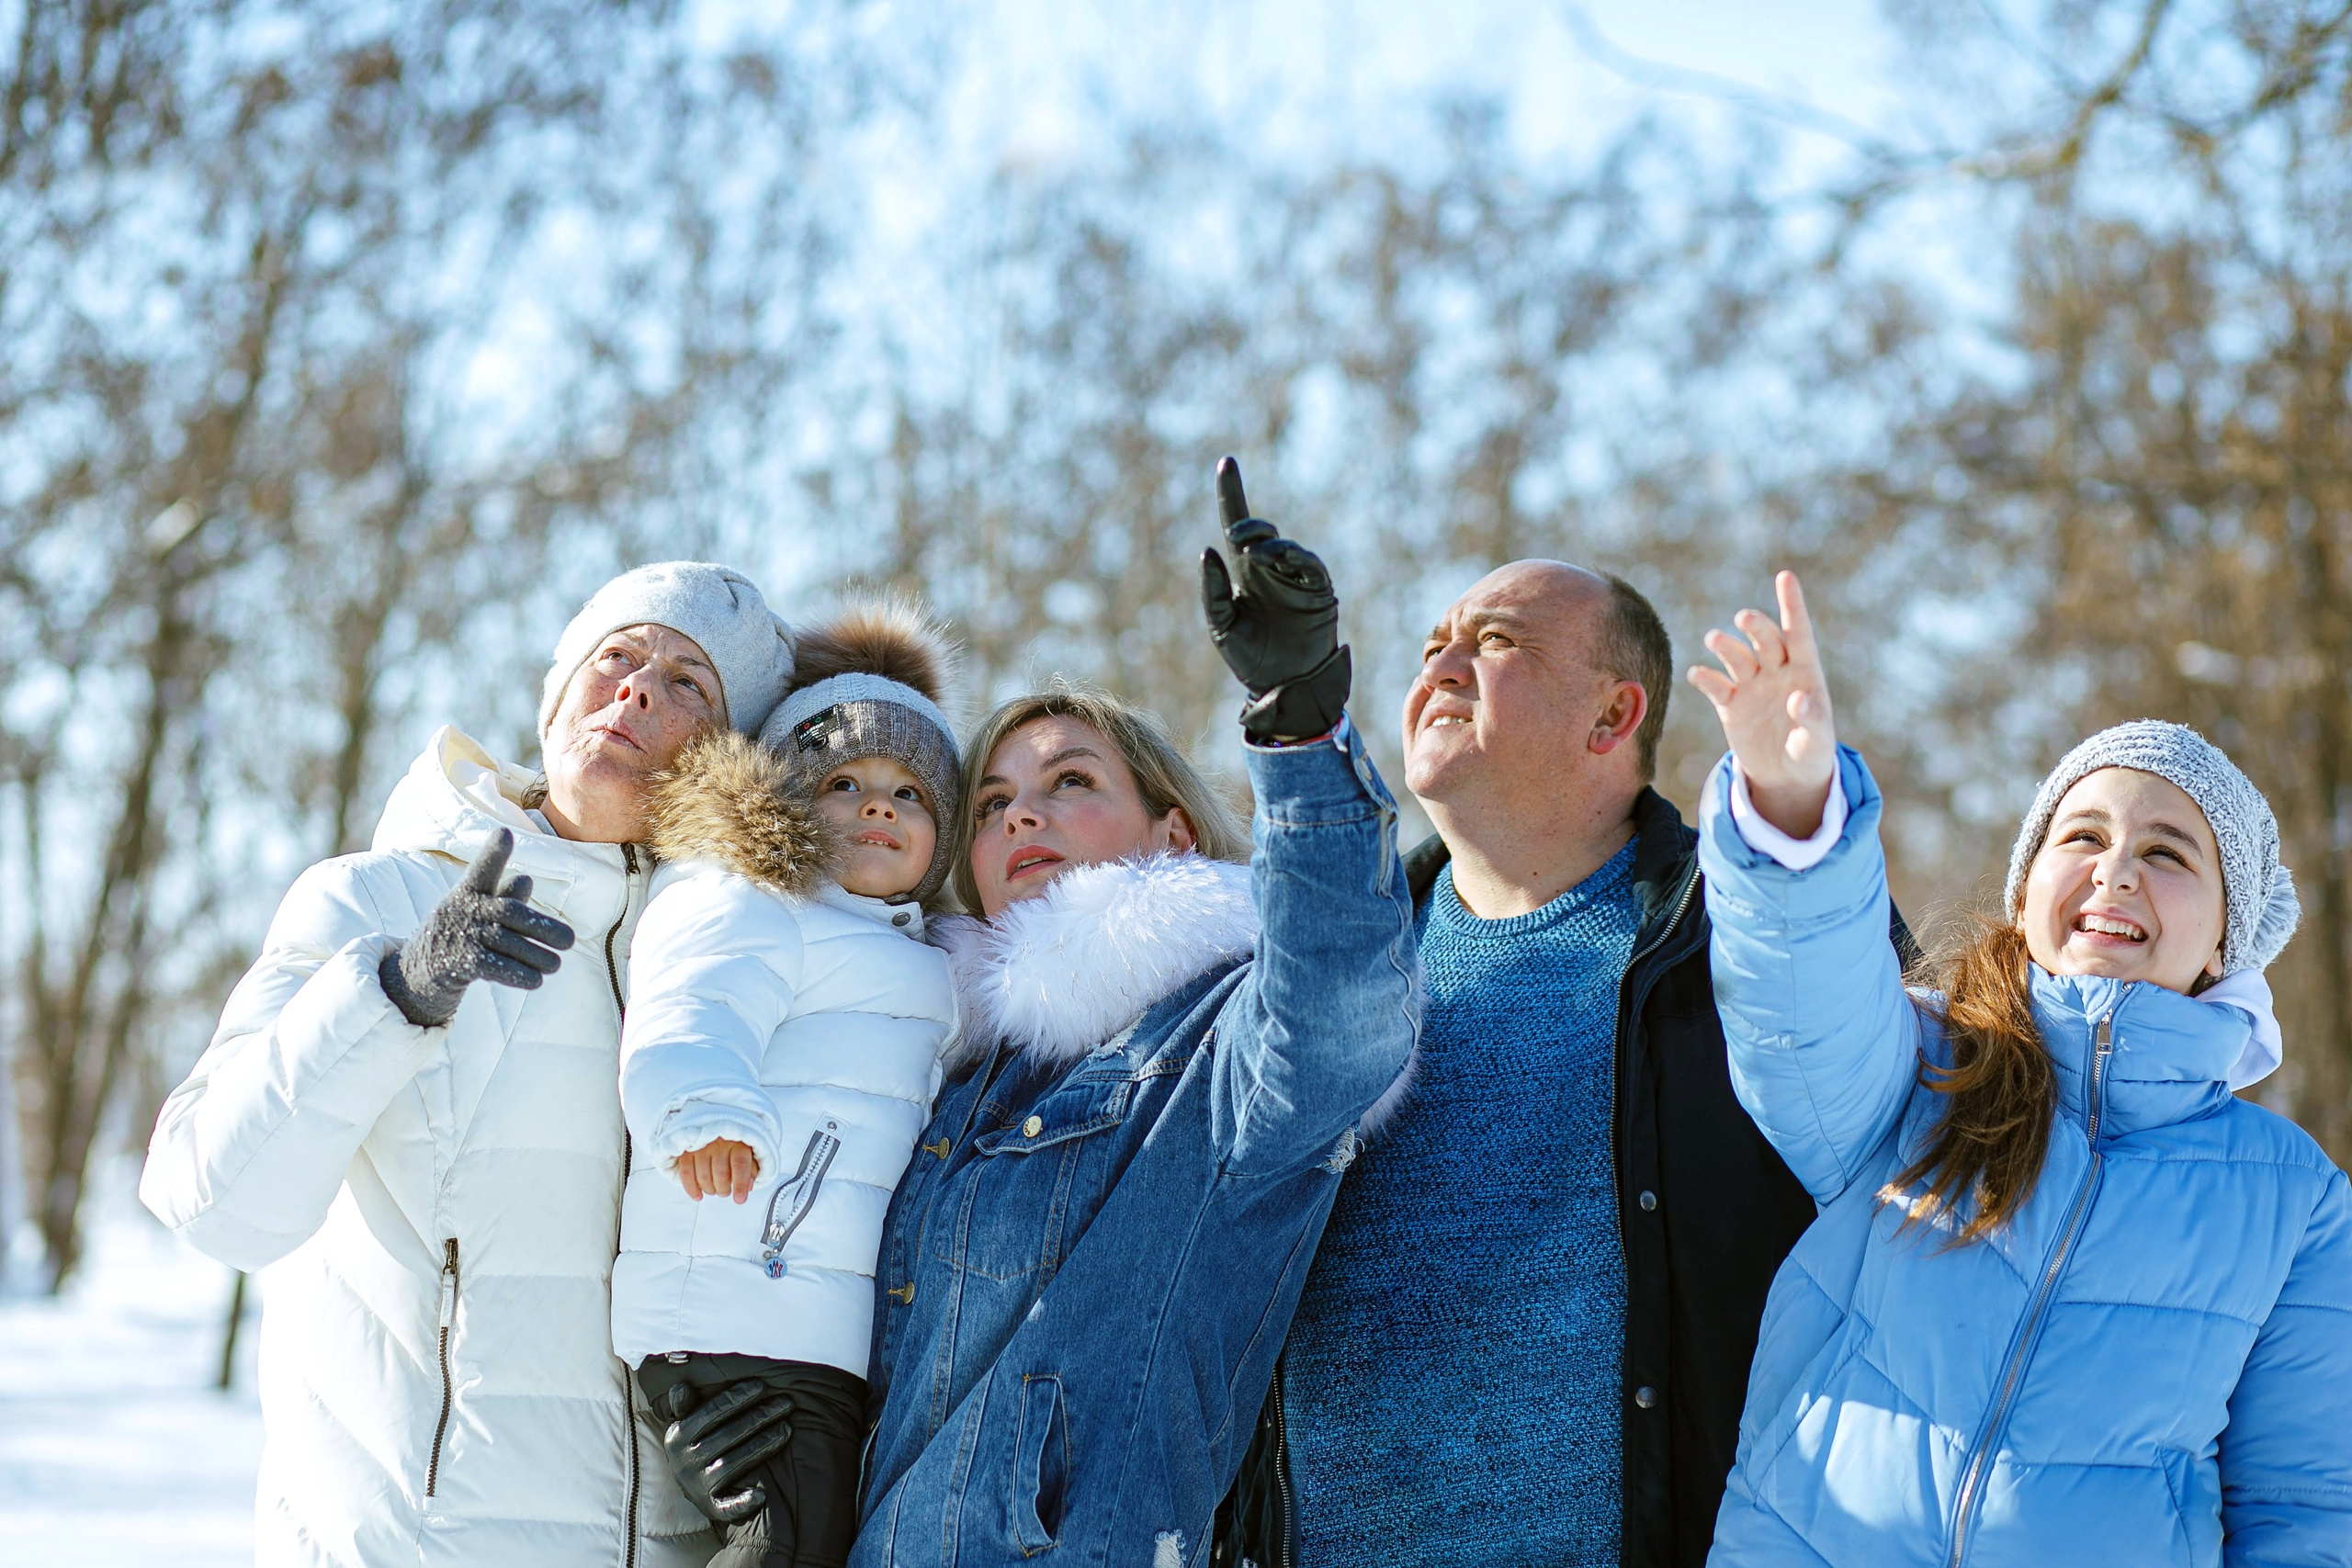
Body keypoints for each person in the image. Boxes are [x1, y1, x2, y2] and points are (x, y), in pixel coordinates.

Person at [656, 460, 1419, 1568]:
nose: (1023, 815)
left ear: (1169, 831)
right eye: (992, 801)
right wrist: (754, 1423)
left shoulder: (1221, 1046)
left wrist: (1298, 725)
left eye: (1070, 782)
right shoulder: (942, 1068)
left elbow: (1343, 1007)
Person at [1223, 560, 1905, 1568]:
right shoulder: (1333, 969)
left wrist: (1797, 810)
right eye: (1433, 646)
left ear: (1611, 716)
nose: (1441, 666)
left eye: (1496, 640)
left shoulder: (1742, 935)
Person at [1689, 571, 2352, 1565]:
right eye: (2083, 836)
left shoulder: (2292, 1199)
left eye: (2169, 853)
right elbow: (1799, 1011)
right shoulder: (1923, 1069)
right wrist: (1792, 811)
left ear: (2226, 938)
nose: (2115, 870)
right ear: (2029, 883)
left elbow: (2305, 1505)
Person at [140, 562, 795, 1567]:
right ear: (558, 695)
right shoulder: (371, 902)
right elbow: (213, 1203)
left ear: (731, 758)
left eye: (688, 684)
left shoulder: (746, 964)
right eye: (616, 657)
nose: (635, 689)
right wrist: (393, 995)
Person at [612, 601, 963, 1568]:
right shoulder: (754, 894)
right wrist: (704, 1110)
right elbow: (694, 1002)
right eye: (843, 783)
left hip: (808, 1318)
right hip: (739, 1302)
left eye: (910, 793)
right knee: (785, 1547)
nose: (878, 807)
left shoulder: (913, 952)